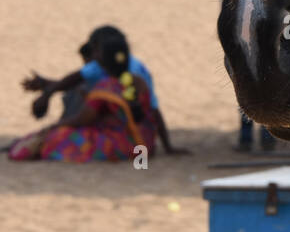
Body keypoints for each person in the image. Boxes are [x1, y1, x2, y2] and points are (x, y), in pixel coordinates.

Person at [18, 25, 190, 157]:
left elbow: (82, 117)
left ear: (100, 56)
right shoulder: (137, 78)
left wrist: (53, 127)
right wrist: (167, 147)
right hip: (144, 143)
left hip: (126, 143)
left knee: (61, 136)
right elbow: (153, 109)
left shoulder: (106, 86)